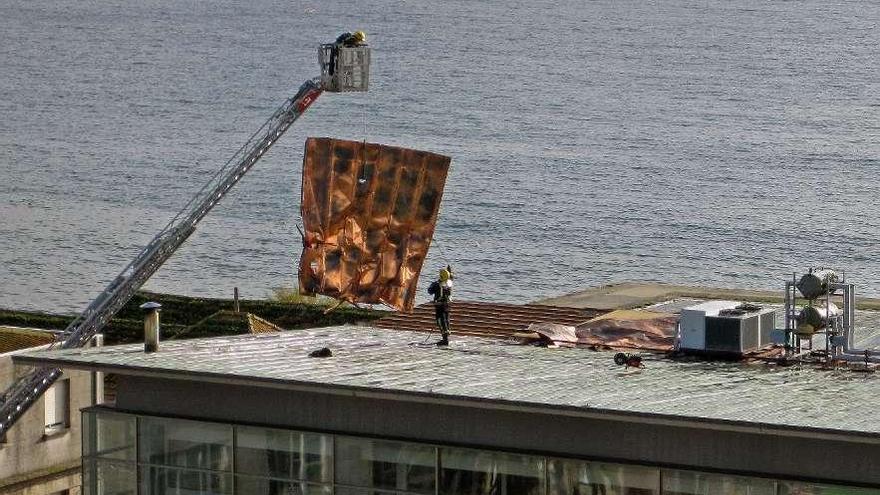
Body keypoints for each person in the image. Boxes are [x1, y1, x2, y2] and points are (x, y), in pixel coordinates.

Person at [427, 265, 453, 346]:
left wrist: (433, 284)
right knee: (446, 320)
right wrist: (450, 271)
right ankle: (446, 338)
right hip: (447, 306)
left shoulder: (437, 284)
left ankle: (445, 340)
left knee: (441, 321)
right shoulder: (449, 283)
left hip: (439, 306)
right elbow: (451, 278)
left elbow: (430, 291)